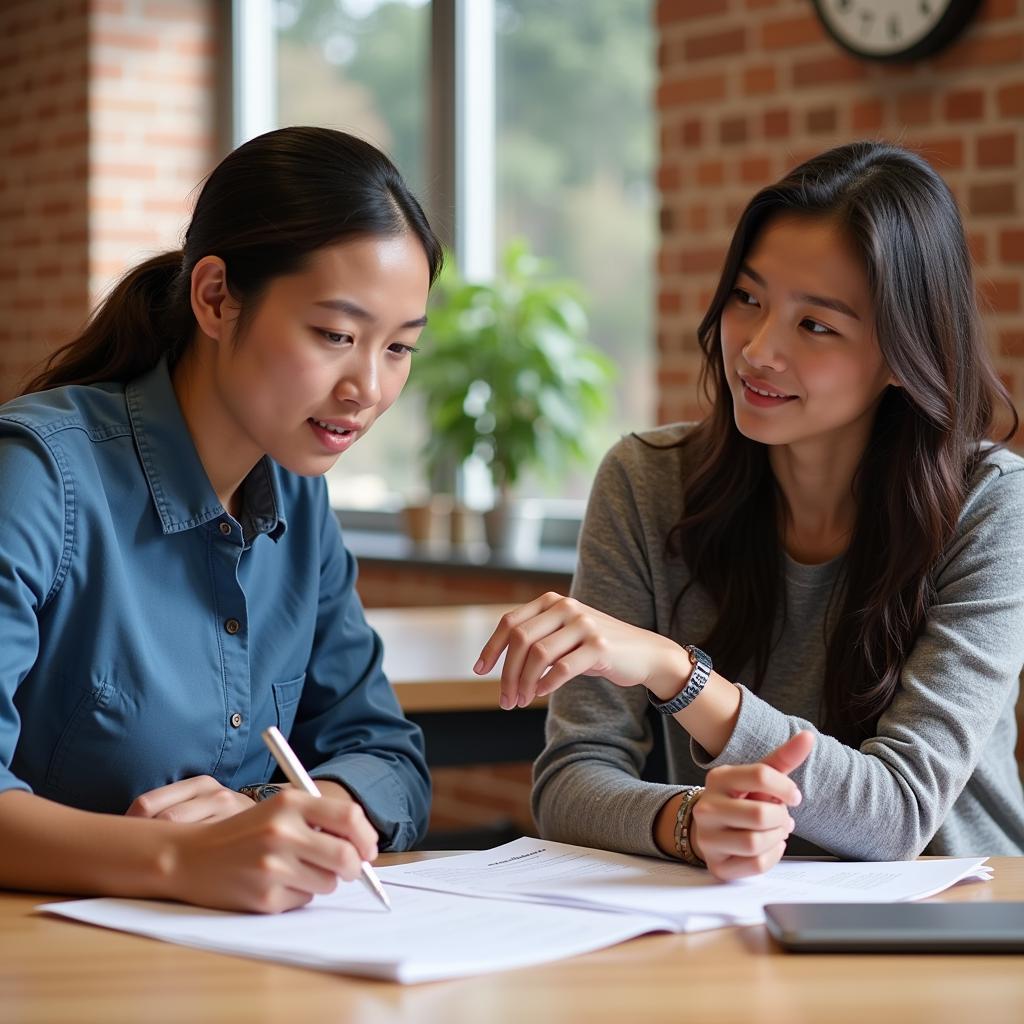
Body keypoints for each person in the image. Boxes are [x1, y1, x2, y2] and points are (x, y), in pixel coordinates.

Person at [475, 140, 1024, 881]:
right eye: (748, 298)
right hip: (722, 919)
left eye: (815, 325)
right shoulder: (647, 481)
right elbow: (571, 775)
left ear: (903, 352)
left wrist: (680, 675)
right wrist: (688, 822)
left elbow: (897, 814)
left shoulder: (990, 506)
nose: (759, 350)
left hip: (955, 926)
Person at [0, 127, 438, 912]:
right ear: (215, 298)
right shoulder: (38, 476)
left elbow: (385, 754)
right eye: (335, 335)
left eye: (399, 348)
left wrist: (271, 814)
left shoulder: (298, 499)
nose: (367, 387)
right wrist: (175, 858)